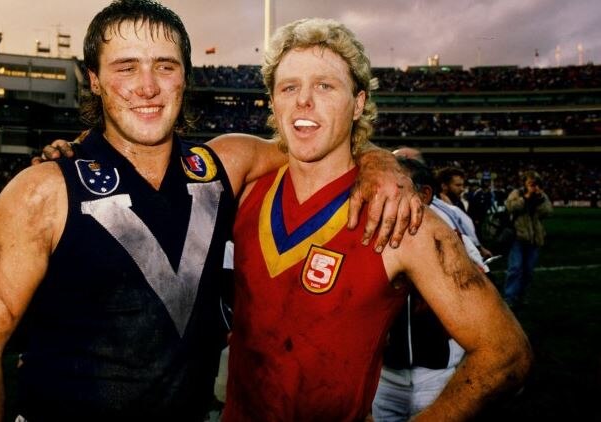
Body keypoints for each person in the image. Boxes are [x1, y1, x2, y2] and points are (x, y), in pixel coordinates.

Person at [0, 1, 422, 420]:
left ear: (185, 77)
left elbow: (322, 147)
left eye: (165, 66)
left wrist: (380, 162)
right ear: (93, 80)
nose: (147, 86)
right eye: (126, 67)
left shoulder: (223, 164)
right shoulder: (41, 191)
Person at [223, 18, 530, 421]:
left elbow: (505, 353)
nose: (303, 101)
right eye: (289, 87)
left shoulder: (400, 219)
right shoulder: (246, 185)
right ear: (274, 103)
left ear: (359, 103)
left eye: (325, 86)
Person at [373, 155, 491, 421]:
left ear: (424, 194)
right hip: (385, 376)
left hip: (437, 374)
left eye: (394, 186)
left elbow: (484, 310)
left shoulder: (456, 242)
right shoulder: (370, 236)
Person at [503, 170, 553, 308]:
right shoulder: (517, 194)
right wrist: (526, 197)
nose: (533, 186)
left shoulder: (542, 196)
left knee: (528, 270)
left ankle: (522, 295)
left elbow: (548, 212)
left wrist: (539, 199)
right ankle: (510, 297)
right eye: (530, 183)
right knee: (515, 268)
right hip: (518, 236)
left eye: (535, 183)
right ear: (524, 183)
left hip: (535, 238)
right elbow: (510, 207)